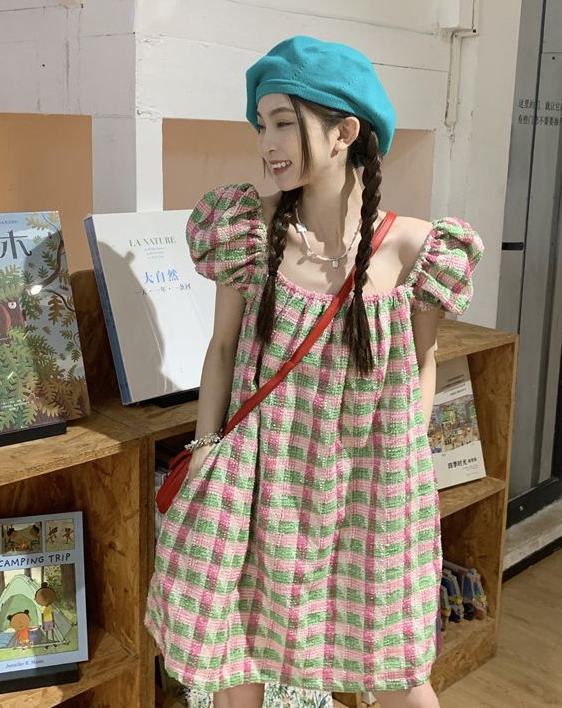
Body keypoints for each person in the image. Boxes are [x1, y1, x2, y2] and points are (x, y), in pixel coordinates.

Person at [145, 36, 484, 708]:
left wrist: (408, 460)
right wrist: (208, 447)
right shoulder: (249, 229)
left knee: (395, 669)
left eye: (282, 123)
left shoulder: (417, 249)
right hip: (258, 475)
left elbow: (421, 362)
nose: (266, 144)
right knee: (234, 656)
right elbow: (222, 349)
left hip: (370, 481)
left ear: (344, 132)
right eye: (260, 125)